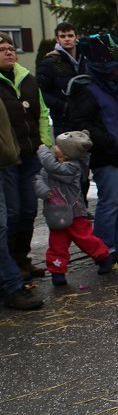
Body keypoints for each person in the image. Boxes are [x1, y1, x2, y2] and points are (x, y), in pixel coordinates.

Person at [66, 34, 118, 265]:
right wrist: (107, 140)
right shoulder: (87, 88)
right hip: (107, 153)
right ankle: (104, 247)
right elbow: (80, 121)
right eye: (117, 64)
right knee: (109, 201)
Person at [0, 32, 53, 280]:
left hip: (31, 154)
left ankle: (22, 258)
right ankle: (10, 266)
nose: (9, 52)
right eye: (2, 49)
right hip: (8, 158)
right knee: (13, 212)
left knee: (30, 209)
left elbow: (42, 112)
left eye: (11, 48)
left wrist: (45, 143)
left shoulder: (27, 79)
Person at [35, 131, 113, 285]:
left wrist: (43, 152)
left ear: (68, 152)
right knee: (57, 243)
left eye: (58, 146)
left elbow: (54, 169)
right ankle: (57, 271)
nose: (54, 148)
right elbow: (38, 179)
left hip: (75, 211)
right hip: (56, 213)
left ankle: (103, 256)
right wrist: (44, 191)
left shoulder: (73, 167)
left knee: (85, 238)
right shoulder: (49, 166)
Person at [35, 23, 79, 135]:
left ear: (76, 37)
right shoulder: (49, 63)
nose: (67, 39)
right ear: (57, 39)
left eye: (70, 35)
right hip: (63, 121)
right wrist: (63, 106)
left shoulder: (84, 59)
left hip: (86, 117)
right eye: (63, 36)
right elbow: (39, 92)